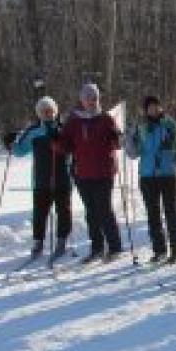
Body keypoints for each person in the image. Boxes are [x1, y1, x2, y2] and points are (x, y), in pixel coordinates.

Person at [57, 82, 123, 263]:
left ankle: (115, 246)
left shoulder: (106, 118)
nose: (91, 101)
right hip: (82, 173)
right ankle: (97, 248)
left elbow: (116, 143)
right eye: (88, 98)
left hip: (103, 172)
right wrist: (57, 140)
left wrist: (118, 136)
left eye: (94, 98)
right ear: (82, 100)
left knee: (104, 210)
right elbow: (66, 145)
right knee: (91, 212)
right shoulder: (74, 121)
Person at [2, 96, 72, 260]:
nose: (47, 114)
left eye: (50, 111)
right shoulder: (33, 131)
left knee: (63, 212)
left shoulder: (64, 129)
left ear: (56, 112)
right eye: (43, 111)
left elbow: (72, 148)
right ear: (39, 114)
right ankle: (38, 242)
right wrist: (10, 143)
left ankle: (62, 241)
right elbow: (20, 151)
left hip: (62, 179)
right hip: (40, 180)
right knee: (39, 214)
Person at [124, 96, 176, 264]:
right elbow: (133, 153)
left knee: (171, 212)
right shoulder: (141, 127)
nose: (153, 109)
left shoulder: (170, 124)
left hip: (167, 174)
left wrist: (175, 147)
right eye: (149, 107)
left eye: (155, 106)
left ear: (160, 107)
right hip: (147, 176)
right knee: (153, 214)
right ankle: (159, 250)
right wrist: (128, 138)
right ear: (145, 110)